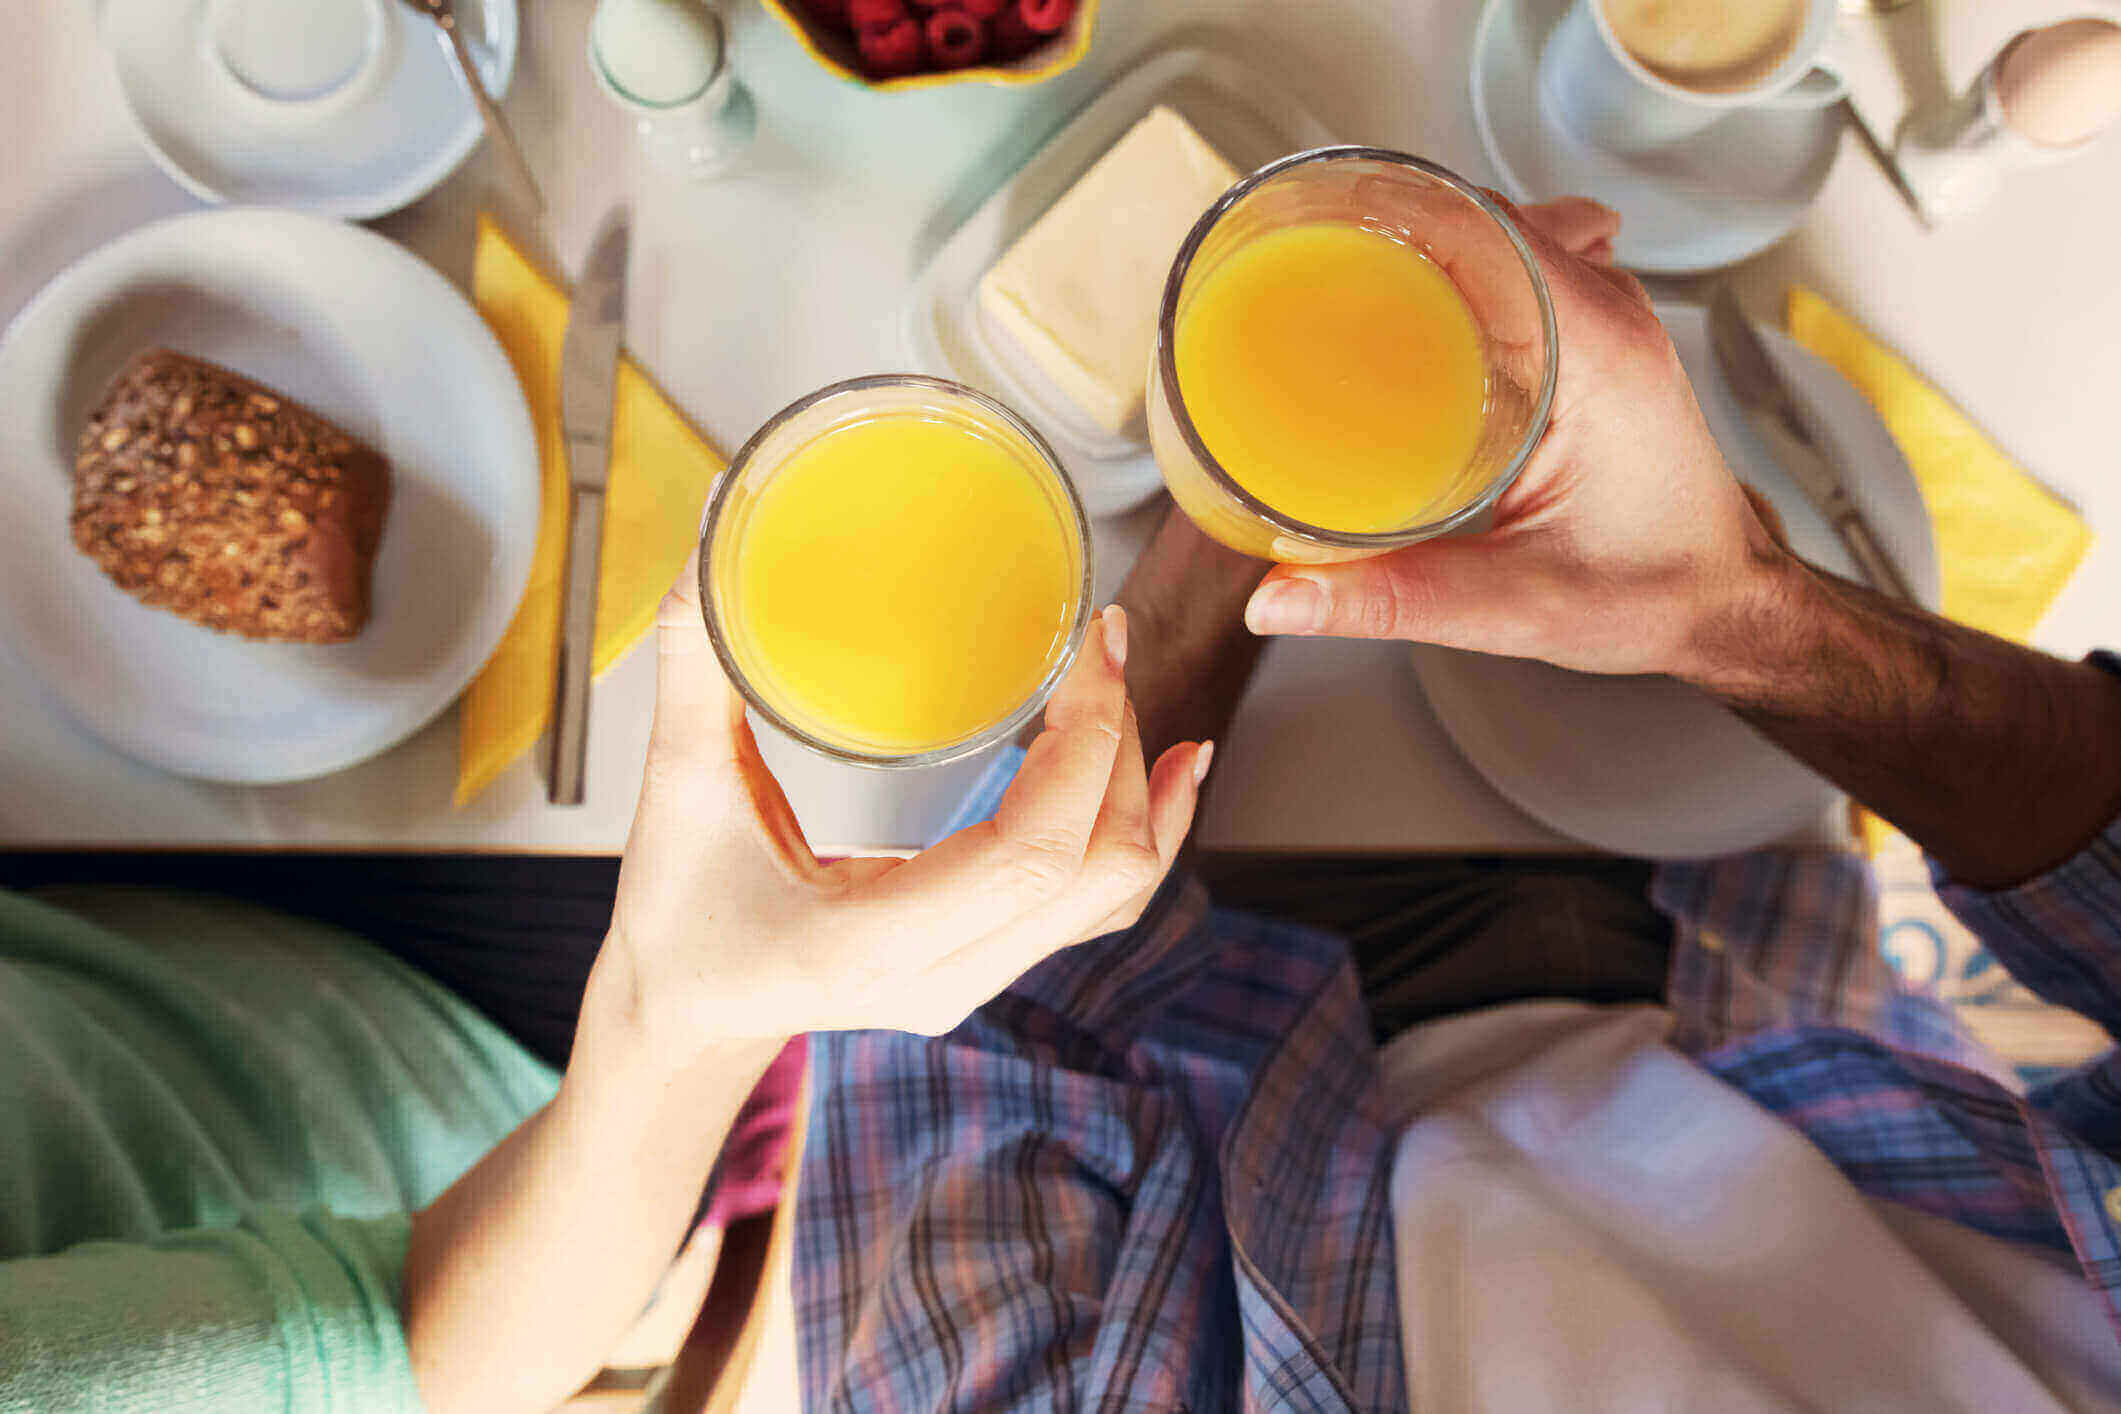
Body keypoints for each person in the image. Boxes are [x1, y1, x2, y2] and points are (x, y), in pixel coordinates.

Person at [5, 193, 2118, 1414]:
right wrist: (1745, 613)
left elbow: (954, 1091)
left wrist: (1173, 627)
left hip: (1126, 1027)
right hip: (1739, 958)